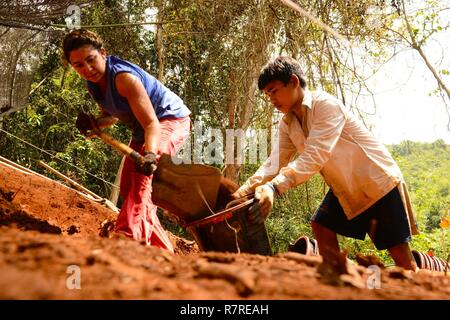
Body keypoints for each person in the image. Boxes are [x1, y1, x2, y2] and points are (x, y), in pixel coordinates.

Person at [233, 56, 419, 271]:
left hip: (377, 182)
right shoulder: (288, 123)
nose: (271, 100)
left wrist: (274, 187)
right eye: (267, 95)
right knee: (321, 225)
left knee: (401, 257)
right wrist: (243, 191)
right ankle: (341, 283)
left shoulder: (325, 105)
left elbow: (314, 156)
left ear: (293, 81)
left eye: (273, 91)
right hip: (346, 188)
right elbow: (275, 161)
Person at [62, 29, 191, 253]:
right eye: (78, 65)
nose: (87, 69)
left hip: (169, 120)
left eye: (91, 60)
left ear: (103, 53)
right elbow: (112, 115)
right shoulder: (93, 85)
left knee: (143, 180)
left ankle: (126, 241)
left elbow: (152, 124)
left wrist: (151, 155)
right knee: (128, 188)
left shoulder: (124, 78)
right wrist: (94, 124)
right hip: (144, 130)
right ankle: (162, 251)